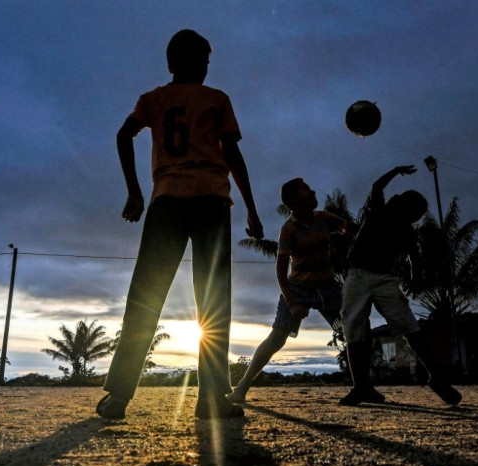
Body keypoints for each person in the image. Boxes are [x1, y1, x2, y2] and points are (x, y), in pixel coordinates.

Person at [97, 29, 264, 420]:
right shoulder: (216, 99)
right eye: (204, 62)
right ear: (192, 64)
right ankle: (210, 398)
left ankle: (119, 396)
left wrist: (134, 192)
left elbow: (124, 134)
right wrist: (252, 211)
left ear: (170, 64)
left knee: (146, 296)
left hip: (167, 201)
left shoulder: (154, 99)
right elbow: (233, 155)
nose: (206, 68)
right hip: (210, 202)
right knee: (213, 300)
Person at [339, 165, 462, 406]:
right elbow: (414, 258)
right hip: (359, 275)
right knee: (357, 330)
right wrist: (396, 170)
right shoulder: (385, 216)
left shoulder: (393, 222)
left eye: (401, 198)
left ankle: (435, 377)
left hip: (379, 278)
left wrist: (396, 171)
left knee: (405, 326)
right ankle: (362, 386)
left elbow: (414, 258)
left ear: (407, 212)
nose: (395, 197)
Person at [227, 178, 348, 403]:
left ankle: (363, 386)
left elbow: (348, 228)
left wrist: (349, 232)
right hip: (297, 288)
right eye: (305, 189)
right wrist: (292, 303)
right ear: (293, 200)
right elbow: (281, 273)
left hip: (328, 286)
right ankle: (241, 388)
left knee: (353, 329)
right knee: (277, 338)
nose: (312, 190)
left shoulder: (324, 219)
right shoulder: (289, 230)